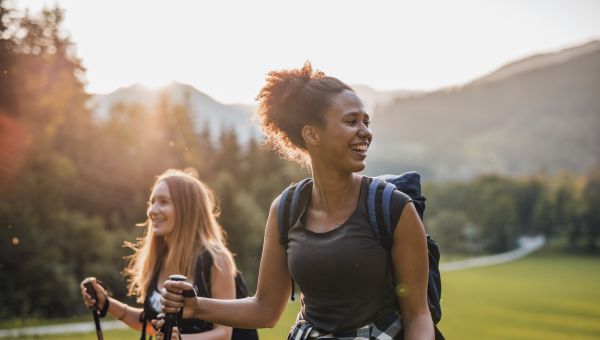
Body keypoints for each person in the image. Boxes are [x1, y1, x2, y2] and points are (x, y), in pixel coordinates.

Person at [159, 63, 434, 339]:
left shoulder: (394, 208)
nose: (365, 132)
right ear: (311, 134)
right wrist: (196, 306)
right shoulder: (286, 209)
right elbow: (265, 309)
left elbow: (418, 315)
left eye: (366, 121)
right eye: (351, 121)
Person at [80, 169, 237, 340]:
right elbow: (152, 324)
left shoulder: (215, 260)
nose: (152, 210)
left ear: (187, 209)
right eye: (152, 202)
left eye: (163, 202)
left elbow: (224, 333)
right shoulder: (158, 259)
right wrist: (107, 304)